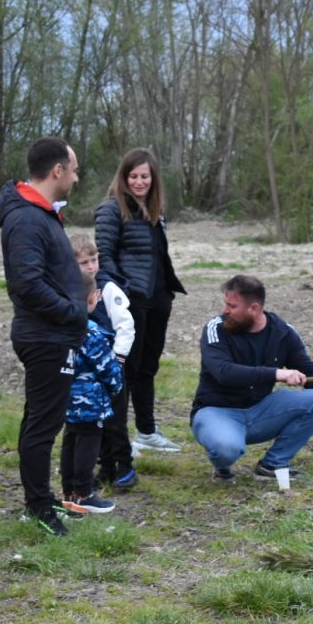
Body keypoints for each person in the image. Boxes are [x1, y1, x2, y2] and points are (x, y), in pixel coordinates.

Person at [190, 274, 313, 482]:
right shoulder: (216, 328)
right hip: (216, 410)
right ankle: (223, 464)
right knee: (226, 448)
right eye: (226, 304)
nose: (225, 310)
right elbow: (224, 372)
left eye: (232, 306)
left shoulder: (283, 332)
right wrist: (277, 374)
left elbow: (310, 375)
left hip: (259, 411)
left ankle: (273, 464)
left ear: (254, 308)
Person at [0, 136, 84, 538]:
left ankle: (40, 498)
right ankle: (37, 506)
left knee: (42, 419)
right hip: (45, 336)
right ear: (57, 171)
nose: (77, 177)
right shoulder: (28, 218)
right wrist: (71, 310)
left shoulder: (41, 213)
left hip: (53, 334)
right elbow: (27, 283)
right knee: (43, 424)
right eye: (74, 169)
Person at [95, 148, 186, 454]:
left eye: (144, 176)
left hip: (158, 300)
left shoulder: (156, 209)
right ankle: (117, 440)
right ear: (123, 177)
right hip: (131, 301)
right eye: (133, 176)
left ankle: (146, 432)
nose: (139, 182)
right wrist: (121, 293)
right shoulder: (110, 209)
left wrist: (166, 293)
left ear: (153, 178)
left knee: (147, 368)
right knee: (125, 371)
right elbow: (103, 256)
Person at [70, 233, 138, 489]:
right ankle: (105, 465)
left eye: (93, 259)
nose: (90, 266)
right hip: (87, 371)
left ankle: (125, 465)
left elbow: (126, 324)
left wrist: (118, 357)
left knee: (116, 418)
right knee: (94, 418)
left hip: (111, 366)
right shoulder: (72, 288)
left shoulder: (108, 288)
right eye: (83, 262)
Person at [60, 275, 124, 516]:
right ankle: (84, 493)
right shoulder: (92, 333)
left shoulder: (61, 328)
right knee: (88, 442)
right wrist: (116, 386)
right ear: (93, 297)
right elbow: (107, 367)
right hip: (90, 400)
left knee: (70, 440)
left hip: (65, 397)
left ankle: (68, 493)